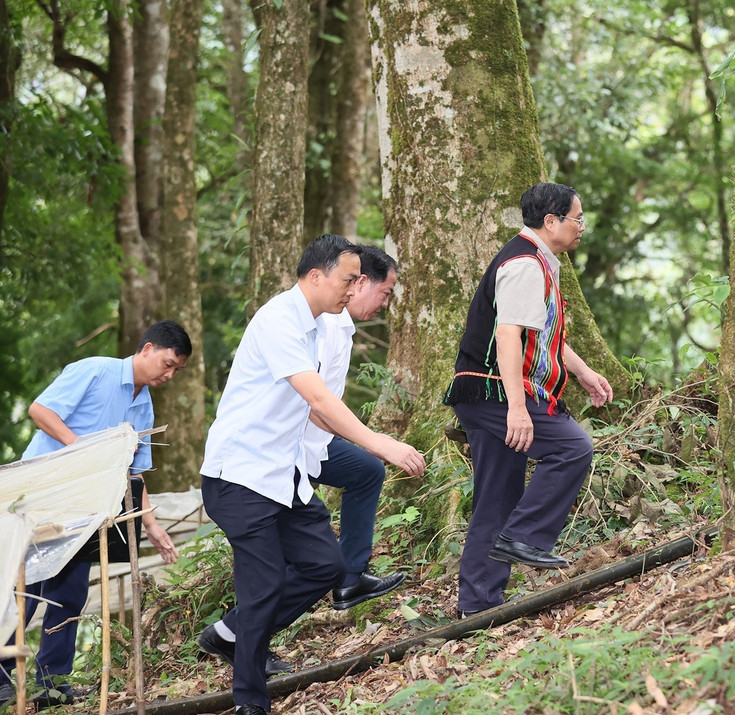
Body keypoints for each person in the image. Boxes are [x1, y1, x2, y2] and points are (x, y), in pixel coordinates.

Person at [196, 235, 425, 715]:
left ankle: (236, 634)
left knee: (327, 566)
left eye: (359, 280)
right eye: (348, 279)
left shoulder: (321, 327)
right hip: (240, 476)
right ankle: (250, 701)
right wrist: (378, 443)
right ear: (315, 276)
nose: (353, 288)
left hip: (283, 474)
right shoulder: (280, 320)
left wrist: (362, 439)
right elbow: (319, 399)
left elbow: (317, 409)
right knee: (263, 589)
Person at [0, 320, 192, 709]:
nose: (169, 374)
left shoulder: (144, 405)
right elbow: (41, 410)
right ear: (147, 349)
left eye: (176, 370)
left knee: (69, 592)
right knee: (27, 588)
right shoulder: (95, 370)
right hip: (43, 492)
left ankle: (50, 685)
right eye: (168, 363)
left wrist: (150, 523)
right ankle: (2, 679)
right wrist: (85, 452)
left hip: (86, 507)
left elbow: (134, 471)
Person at [443, 182, 614, 618]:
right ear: (551, 222)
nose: (582, 227)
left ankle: (478, 606)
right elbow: (508, 336)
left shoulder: (537, 260)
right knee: (572, 447)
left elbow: (541, 334)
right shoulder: (524, 264)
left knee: (496, 494)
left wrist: (582, 371)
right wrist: (518, 409)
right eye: (577, 218)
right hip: (493, 390)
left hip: (486, 390)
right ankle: (525, 538)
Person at [303, 245, 406, 610]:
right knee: (295, 546)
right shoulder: (326, 326)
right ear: (361, 282)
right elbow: (313, 403)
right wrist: (375, 440)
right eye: (386, 293)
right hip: (290, 446)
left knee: (365, 471)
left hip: (317, 440)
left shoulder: (342, 327)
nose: (385, 304)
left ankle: (350, 579)